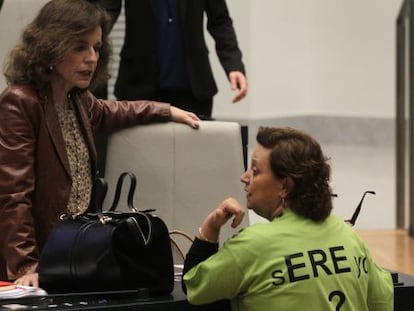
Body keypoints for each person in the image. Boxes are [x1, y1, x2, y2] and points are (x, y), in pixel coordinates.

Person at [0, 0, 200, 287]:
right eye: (79, 47)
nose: (91, 58)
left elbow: (114, 111)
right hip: (35, 263)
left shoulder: (77, 98)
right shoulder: (21, 101)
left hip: (70, 253)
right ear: (50, 46)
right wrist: (25, 265)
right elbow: (12, 197)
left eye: (96, 47)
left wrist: (166, 110)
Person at [182, 127, 394, 311]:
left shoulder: (252, 246)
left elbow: (194, 287)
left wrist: (210, 227)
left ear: (285, 186)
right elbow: (382, 300)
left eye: (255, 170)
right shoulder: (348, 236)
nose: (244, 177)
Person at [98, 0, 248, 119]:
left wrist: (233, 65)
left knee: (192, 155)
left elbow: (220, 21)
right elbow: (107, 11)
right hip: (139, 86)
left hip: (193, 90)